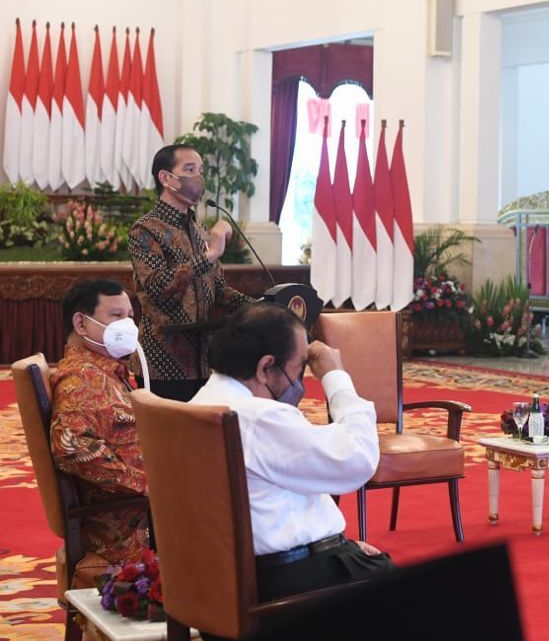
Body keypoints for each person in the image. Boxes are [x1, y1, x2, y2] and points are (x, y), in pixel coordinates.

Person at [190, 302, 393, 603]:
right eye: (298, 368)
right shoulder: (257, 417)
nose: (299, 384)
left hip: (220, 577)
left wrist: (338, 546)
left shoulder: (199, 402)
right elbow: (357, 461)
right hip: (285, 580)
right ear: (265, 367)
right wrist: (336, 378)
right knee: (426, 597)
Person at [128, 144, 256, 402]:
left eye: (201, 170)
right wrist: (210, 255)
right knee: (171, 440)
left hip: (206, 359)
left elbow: (219, 290)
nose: (198, 177)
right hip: (163, 362)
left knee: (203, 438)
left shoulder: (199, 230)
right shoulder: (145, 230)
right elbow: (159, 286)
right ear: (166, 178)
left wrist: (262, 307)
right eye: (189, 169)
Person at [49, 279, 148, 565]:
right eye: (116, 316)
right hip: (129, 524)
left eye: (130, 316)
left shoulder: (105, 371)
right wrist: (148, 485)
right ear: (81, 324)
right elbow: (71, 448)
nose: (128, 325)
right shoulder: (80, 379)